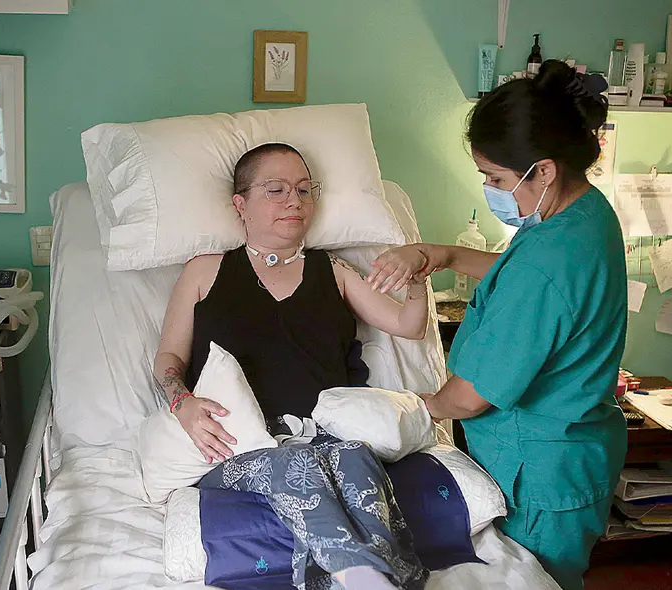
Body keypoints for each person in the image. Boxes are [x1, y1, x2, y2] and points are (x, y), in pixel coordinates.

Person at [369, 60, 628, 590]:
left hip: (539, 475)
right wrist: (443, 255)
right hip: (576, 452)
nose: (490, 187)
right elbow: (534, 286)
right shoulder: (583, 214)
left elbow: (469, 398)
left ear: (545, 170)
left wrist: (408, 412)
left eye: (496, 179)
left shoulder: (547, 260)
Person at [154, 142, 431, 589]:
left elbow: (407, 324)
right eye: (276, 189)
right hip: (243, 445)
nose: (294, 201)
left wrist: (416, 282)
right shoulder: (204, 272)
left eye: (305, 189)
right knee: (292, 469)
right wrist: (182, 402)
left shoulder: (334, 271)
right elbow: (168, 359)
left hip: (328, 435)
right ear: (240, 204)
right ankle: (370, 582)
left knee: (356, 457)